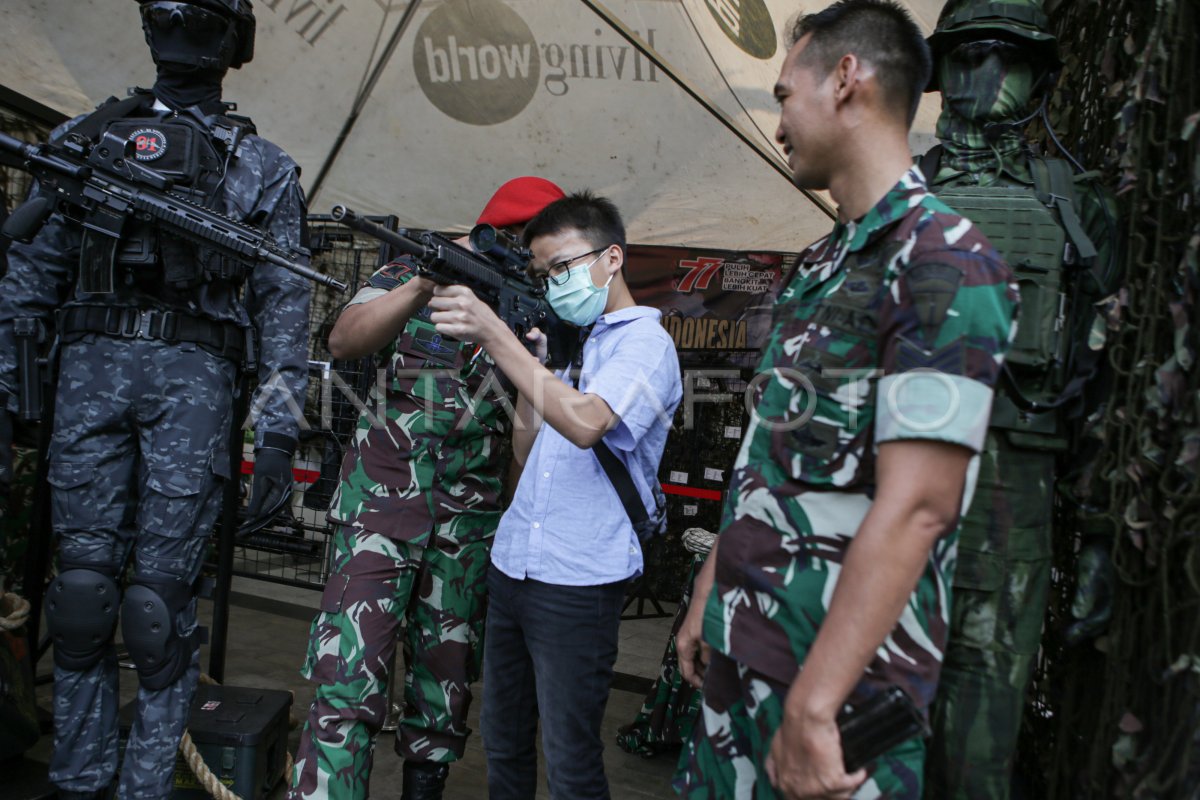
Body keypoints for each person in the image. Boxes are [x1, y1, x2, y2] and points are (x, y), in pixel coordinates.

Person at [672, 1, 1020, 798]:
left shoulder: (945, 263)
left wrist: (816, 708)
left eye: (784, 94)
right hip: (742, 659)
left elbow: (920, 505)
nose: (779, 120)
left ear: (846, 78)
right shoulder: (820, 263)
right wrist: (706, 594)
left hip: (837, 689)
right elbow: (768, 455)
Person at [0, 1, 312, 798]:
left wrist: (277, 435)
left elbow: (283, 304)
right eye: (165, 9)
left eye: (197, 13)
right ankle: (79, 774)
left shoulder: (263, 166)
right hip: (88, 370)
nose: (177, 25)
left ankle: (143, 785)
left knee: (156, 608)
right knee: (80, 597)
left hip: (195, 379)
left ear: (230, 40)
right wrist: (9, 392)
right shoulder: (87, 140)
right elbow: (28, 277)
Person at [287, 176, 566, 800]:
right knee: (346, 680)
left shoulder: (533, 307)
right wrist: (422, 285)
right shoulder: (410, 269)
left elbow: (528, 438)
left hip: (467, 524)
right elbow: (343, 337)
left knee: (444, 692)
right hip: (378, 515)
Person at [918, 2, 1121, 797]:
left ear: (1039, 74)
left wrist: (1100, 530)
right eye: (965, 58)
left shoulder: (1076, 204)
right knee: (883, 713)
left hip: (1013, 493)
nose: (982, 77)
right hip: (897, 483)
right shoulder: (901, 193)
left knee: (983, 721)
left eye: (1004, 57)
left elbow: (1106, 373)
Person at [428, 191, 682, 799]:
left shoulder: (644, 345)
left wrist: (496, 336)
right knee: (504, 741)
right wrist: (531, 369)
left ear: (612, 257)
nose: (555, 283)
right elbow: (525, 451)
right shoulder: (572, 346)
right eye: (546, 275)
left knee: (570, 758)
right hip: (514, 565)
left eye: (564, 267)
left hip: (579, 581)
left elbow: (589, 422)